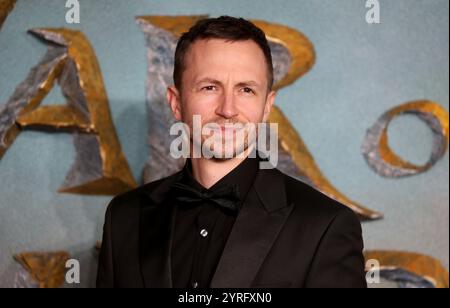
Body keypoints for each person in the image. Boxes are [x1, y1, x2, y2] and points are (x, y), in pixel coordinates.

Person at [97, 16, 367, 288]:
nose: (227, 109)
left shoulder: (325, 226)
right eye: (210, 87)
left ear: (266, 106)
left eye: (246, 90)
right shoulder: (124, 217)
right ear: (176, 102)